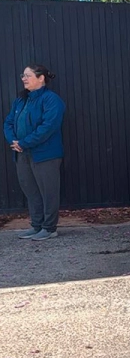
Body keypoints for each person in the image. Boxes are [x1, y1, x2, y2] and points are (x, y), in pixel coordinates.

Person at [4, 64, 66, 241]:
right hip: (22, 153)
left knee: (49, 192)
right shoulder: (21, 100)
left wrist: (23, 142)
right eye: (23, 75)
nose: (24, 78)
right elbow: (8, 122)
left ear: (41, 78)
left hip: (45, 154)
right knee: (31, 192)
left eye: (28, 75)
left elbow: (48, 127)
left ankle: (49, 228)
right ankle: (36, 226)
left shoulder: (51, 100)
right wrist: (13, 142)